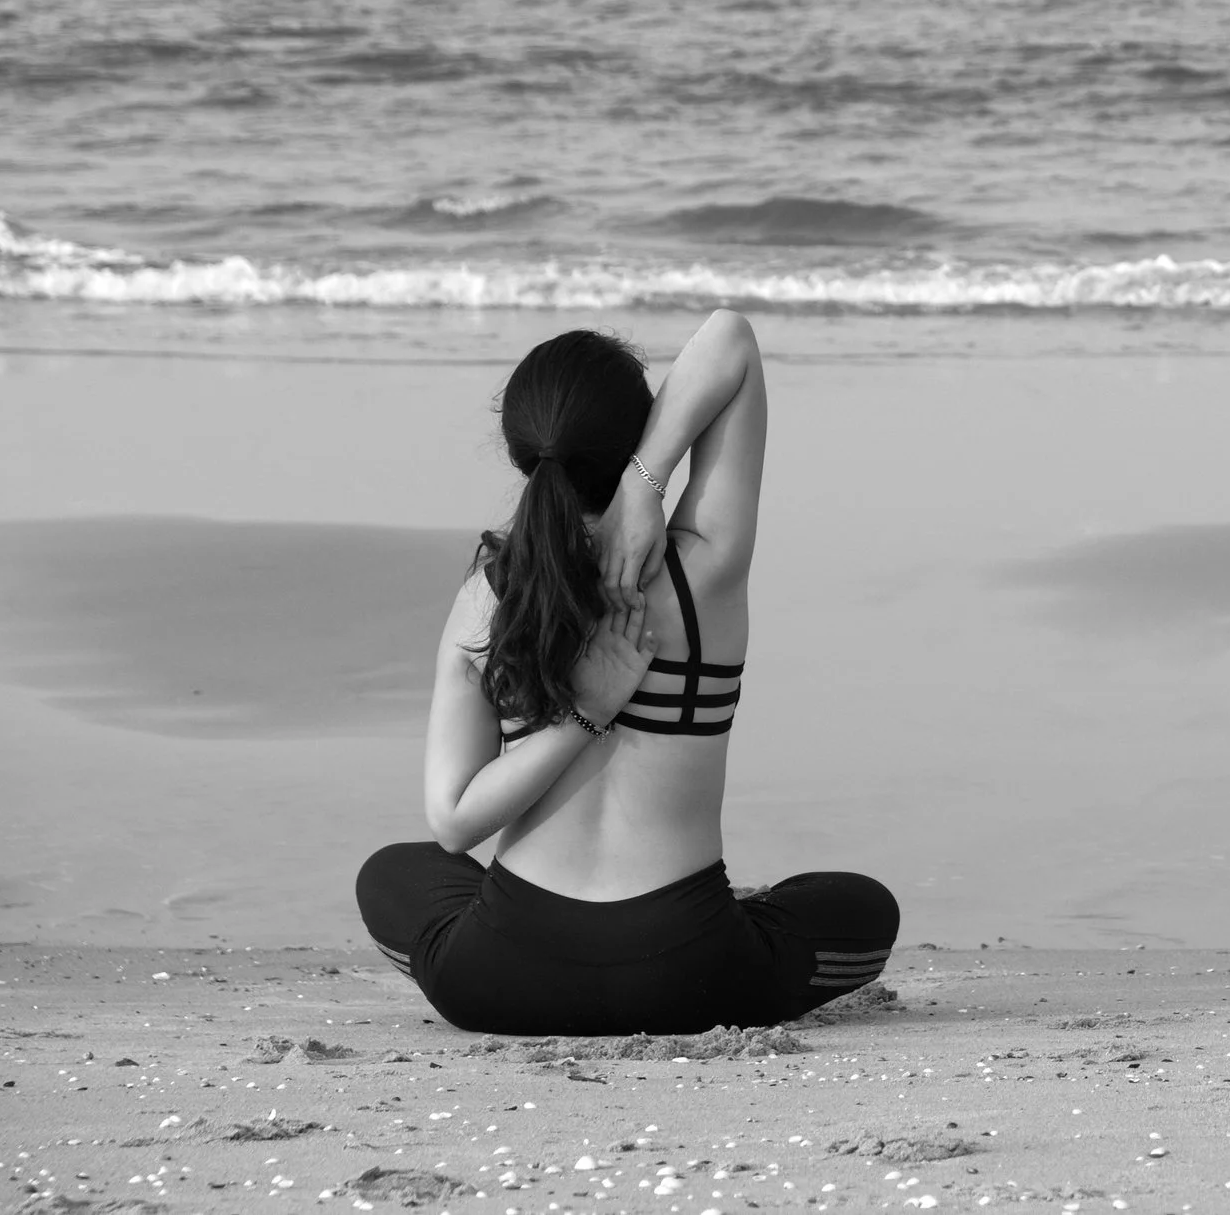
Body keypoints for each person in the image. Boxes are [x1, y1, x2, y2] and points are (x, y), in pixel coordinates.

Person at [356, 311, 897, 1035]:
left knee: (393, 872)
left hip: (500, 978)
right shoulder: (704, 565)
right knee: (861, 907)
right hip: (690, 977)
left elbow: (454, 825)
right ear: (637, 431)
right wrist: (650, 479)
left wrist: (574, 719)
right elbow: (729, 338)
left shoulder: (489, 595)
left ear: (520, 451)